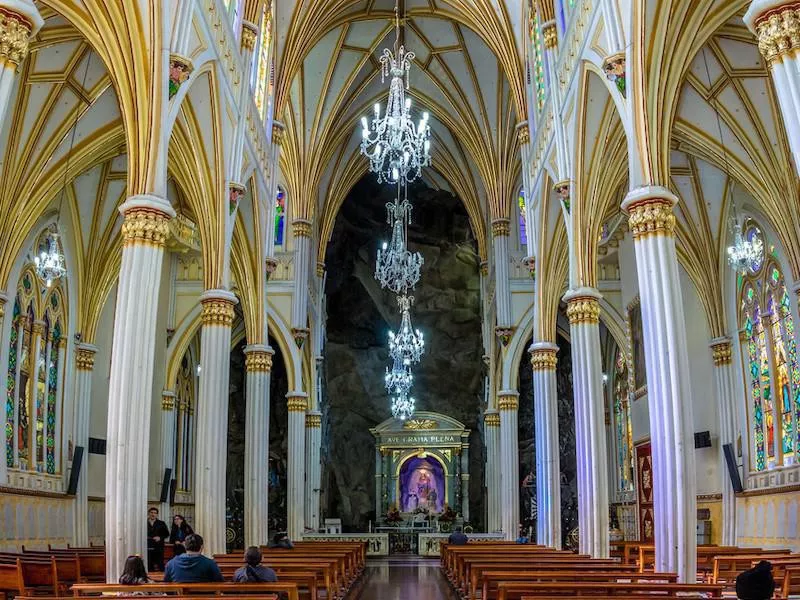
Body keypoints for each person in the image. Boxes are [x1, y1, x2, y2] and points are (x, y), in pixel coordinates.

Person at [146, 507, 170, 571]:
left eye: (155, 513)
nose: (153, 514)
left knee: (160, 564)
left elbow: (167, 534)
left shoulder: (161, 523)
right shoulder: (144, 523)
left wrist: (160, 537)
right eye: (151, 512)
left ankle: (163, 579)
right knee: (149, 564)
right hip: (147, 546)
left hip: (158, 547)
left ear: (157, 514)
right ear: (148, 513)